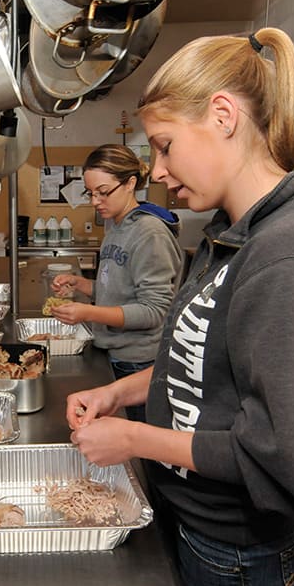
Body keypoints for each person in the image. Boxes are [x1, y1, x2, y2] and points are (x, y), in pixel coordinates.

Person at [64, 28, 294, 586]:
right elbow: (203, 363)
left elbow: (286, 460)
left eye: (164, 145)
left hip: (238, 554)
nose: (156, 172)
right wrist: (119, 391)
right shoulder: (231, 237)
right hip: (193, 518)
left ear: (224, 115)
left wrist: (133, 439)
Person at [48, 143, 182, 422]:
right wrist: (81, 284)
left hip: (138, 362)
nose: (96, 201)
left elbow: (153, 310)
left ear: (131, 183)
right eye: (91, 193)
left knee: (141, 450)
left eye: (104, 192)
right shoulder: (116, 225)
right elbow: (117, 291)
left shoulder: (150, 233)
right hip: (113, 352)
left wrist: (88, 313)